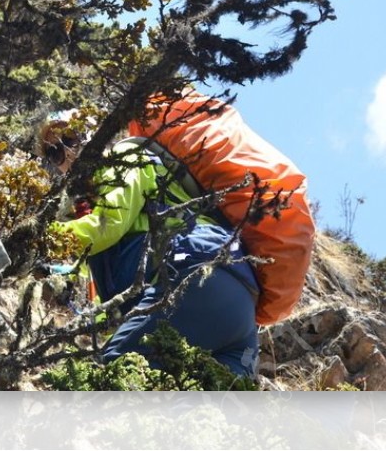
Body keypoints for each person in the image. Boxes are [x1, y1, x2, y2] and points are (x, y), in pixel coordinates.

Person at [39, 110, 260, 379]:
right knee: (209, 413)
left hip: (192, 277)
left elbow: (108, 224)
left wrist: (38, 238)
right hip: (238, 309)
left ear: (96, 131)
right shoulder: (95, 203)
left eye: (71, 138)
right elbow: (113, 295)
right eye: (54, 152)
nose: (67, 153)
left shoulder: (125, 160)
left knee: (112, 377)